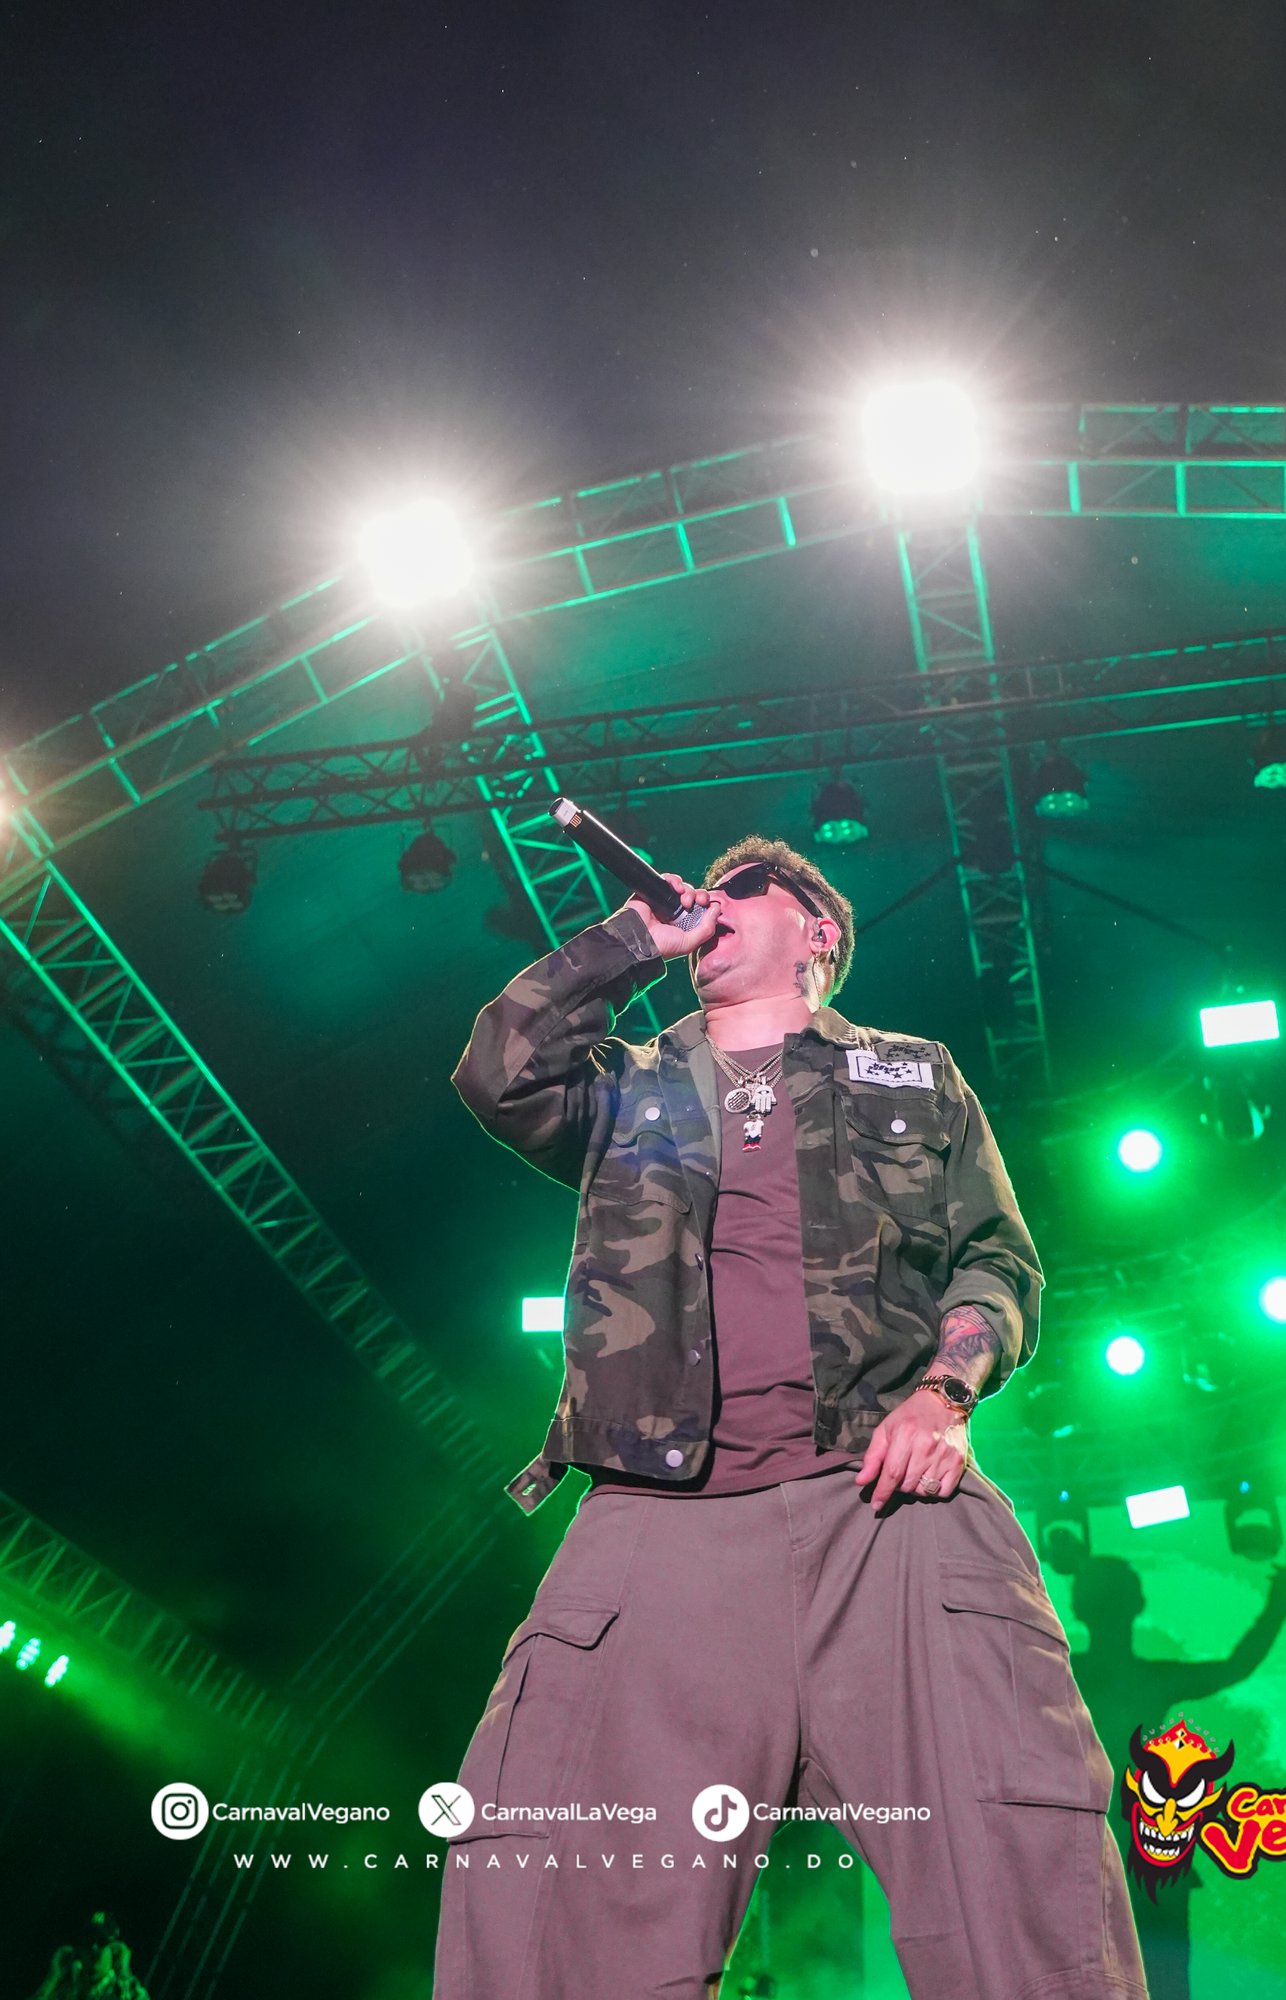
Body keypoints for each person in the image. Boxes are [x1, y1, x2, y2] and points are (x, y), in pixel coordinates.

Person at [434, 834, 1148, 2000]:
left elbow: (997, 1260)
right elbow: (495, 1071)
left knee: (1017, 1868)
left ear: (816, 929)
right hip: (660, 1518)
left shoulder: (911, 1073)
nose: (706, 903)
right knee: (552, 1891)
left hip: (886, 1504)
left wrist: (944, 1393)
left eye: (738, 891)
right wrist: (629, 939)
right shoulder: (627, 1083)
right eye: (698, 894)